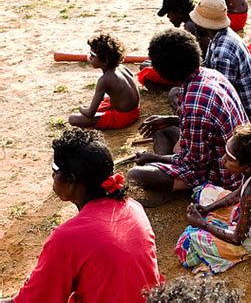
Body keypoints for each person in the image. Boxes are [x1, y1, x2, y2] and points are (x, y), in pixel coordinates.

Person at [0, 129, 163, 303]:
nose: (53, 175)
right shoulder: (133, 207)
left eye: (55, 169)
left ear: (71, 181)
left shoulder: (66, 238)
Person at [126, 28, 248, 207]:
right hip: (221, 153)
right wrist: (170, 120)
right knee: (160, 127)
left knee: (135, 175)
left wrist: (154, 158)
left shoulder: (195, 103)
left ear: (163, 72)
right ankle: (169, 174)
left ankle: (175, 186)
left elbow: (196, 163)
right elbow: (205, 125)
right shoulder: (210, 74)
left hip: (223, 173)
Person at [175, 124, 251, 274]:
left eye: (229, 159)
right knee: (206, 191)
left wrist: (201, 224)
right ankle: (213, 219)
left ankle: (227, 249)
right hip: (246, 215)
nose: (222, 160)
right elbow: (237, 194)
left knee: (187, 243)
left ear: (247, 166)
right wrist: (208, 208)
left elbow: (237, 238)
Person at [186, 0, 251, 122]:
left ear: (203, 25)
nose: (194, 24)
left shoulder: (223, 53)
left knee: (188, 99)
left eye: (196, 21)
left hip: (245, 118)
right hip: (236, 105)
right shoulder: (219, 36)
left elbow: (222, 95)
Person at [68, 33, 140, 130]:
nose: (90, 57)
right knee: (106, 98)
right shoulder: (122, 68)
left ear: (105, 60)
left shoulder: (104, 80)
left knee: (73, 119)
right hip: (135, 111)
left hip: (123, 118)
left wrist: (81, 108)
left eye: (93, 55)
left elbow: (90, 113)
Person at [137, 0, 197, 91]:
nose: (168, 17)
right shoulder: (195, 20)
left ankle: (177, 87)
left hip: (192, 76)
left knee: (146, 73)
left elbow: (184, 62)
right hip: (196, 71)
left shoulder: (190, 27)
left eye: (169, 13)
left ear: (178, 11)